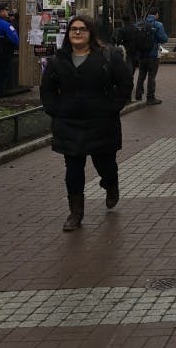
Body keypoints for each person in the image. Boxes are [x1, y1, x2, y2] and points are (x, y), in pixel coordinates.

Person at [40, 16, 133, 232]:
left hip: (101, 122)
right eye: (73, 29)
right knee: (73, 169)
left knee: (105, 164)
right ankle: (75, 213)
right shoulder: (58, 61)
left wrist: (113, 106)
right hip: (69, 123)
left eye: (82, 29)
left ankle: (111, 184)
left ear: (91, 33)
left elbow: (125, 83)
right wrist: (55, 110)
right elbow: (47, 90)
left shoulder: (107, 57)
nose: (78, 33)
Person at [132, 8, 169, 105]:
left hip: (141, 54)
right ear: (156, 14)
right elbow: (164, 39)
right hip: (153, 54)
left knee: (141, 74)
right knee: (151, 76)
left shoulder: (139, 24)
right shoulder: (158, 25)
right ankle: (150, 97)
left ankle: (138, 95)